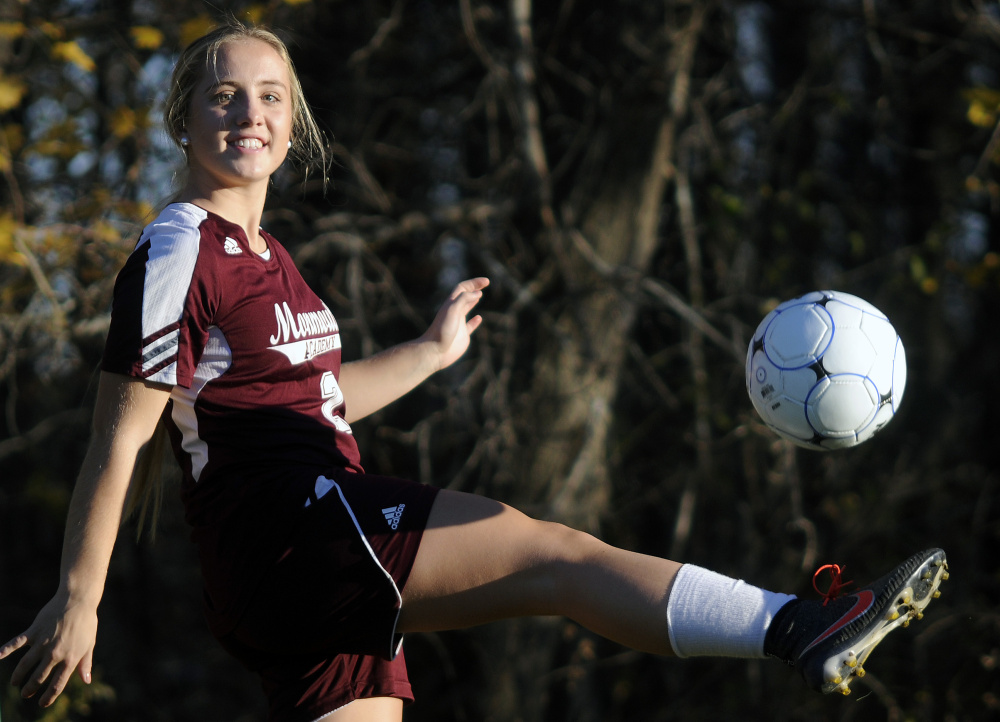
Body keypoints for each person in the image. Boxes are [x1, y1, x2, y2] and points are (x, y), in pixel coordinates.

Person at [0, 21, 949, 722]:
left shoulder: (268, 256)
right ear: (182, 121)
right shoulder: (181, 245)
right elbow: (118, 434)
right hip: (294, 536)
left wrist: (432, 351)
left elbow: (318, 402)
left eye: (270, 95)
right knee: (551, 553)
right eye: (223, 95)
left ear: (294, 122)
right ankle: (795, 626)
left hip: (296, 566)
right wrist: (78, 597)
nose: (249, 112)